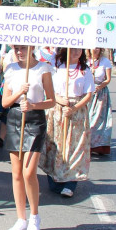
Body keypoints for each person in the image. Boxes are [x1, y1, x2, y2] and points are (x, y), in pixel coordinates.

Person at [0, 44, 55, 230]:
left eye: (23, 48)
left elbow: (52, 100)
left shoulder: (43, 68)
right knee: (16, 173)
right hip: (15, 118)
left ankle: (34, 216)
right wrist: (18, 92)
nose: (19, 52)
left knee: (28, 171)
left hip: (35, 120)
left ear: (31, 48)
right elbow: (5, 102)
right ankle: (20, 219)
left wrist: (33, 105)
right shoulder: (11, 69)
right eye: (16, 49)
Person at [41, 46, 94, 198]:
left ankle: (70, 182)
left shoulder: (85, 70)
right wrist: (59, 100)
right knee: (55, 146)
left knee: (73, 148)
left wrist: (73, 108)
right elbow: (48, 88)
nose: (77, 52)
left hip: (76, 113)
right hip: (57, 110)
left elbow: (88, 94)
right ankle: (55, 180)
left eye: (80, 50)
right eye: (74, 49)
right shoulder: (56, 67)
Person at [88, 47, 113, 155]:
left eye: (98, 48)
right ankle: (86, 144)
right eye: (93, 47)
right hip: (87, 92)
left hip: (100, 93)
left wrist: (100, 86)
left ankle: (98, 144)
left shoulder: (105, 61)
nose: (95, 50)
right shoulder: (84, 60)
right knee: (87, 119)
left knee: (98, 119)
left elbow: (108, 79)